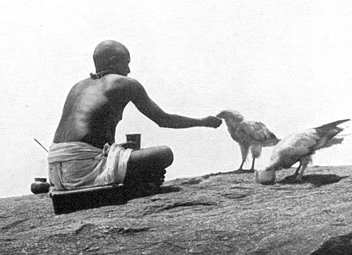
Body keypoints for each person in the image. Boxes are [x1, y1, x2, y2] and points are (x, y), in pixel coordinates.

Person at [48, 40, 222, 192]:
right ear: (114, 61)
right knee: (164, 154)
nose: (129, 70)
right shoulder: (125, 83)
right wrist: (203, 122)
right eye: (126, 63)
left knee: (131, 154)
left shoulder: (77, 87)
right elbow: (163, 120)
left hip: (55, 170)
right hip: (84, 167)